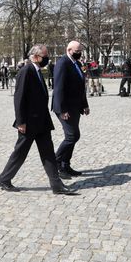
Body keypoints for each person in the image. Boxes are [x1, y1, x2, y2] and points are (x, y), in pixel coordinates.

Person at [0, 44, 75, 195]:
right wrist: (20, 122)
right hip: (29, 122)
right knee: (20, 152)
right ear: (36, 56)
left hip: (42, 121)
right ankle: (4, 179)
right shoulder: (26, 71)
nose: (47, 58)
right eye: (45, 55)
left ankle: (56, 185)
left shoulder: (37, 71)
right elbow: (19, 98)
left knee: (48, 153)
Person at [51, 40, 90, 179]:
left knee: (73, 136)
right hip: (64, 107)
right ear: (69, 50)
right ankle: (56, 162)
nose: (79, 53)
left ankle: (65, 165)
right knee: (72, 136)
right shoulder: (63, 63)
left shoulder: (77, 64)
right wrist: (62, 110)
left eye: (80, 51)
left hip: (75, 106)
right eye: (77, 51)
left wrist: (84, 104)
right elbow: (59, 88)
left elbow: (81, 87)